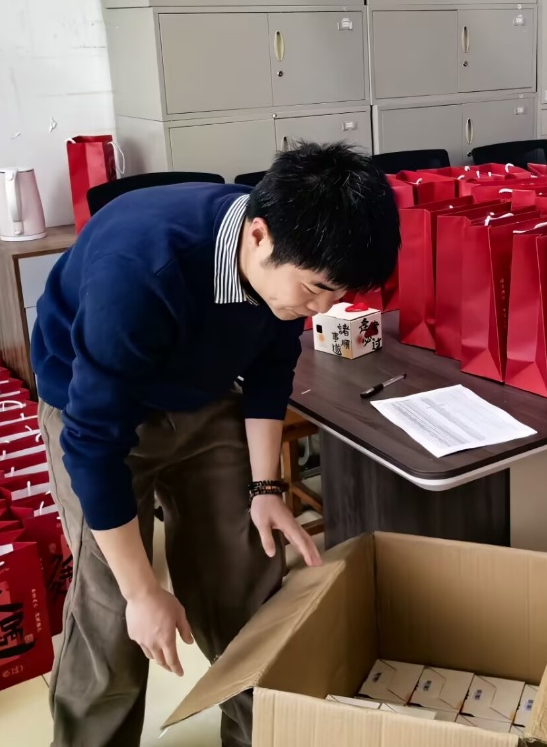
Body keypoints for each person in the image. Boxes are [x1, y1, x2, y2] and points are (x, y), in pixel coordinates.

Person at [31, 142, 400, 747]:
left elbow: (270, 373)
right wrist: (143, 592)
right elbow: (93, 444)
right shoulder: (141, 270)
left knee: (247, 585)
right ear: (257, 236)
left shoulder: (284, 264)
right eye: (315, 290)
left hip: (201, 393)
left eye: (336, 296)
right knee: (113, 613)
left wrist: (266, 489)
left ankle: (258, 736)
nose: (321, 308)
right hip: (96, 407)